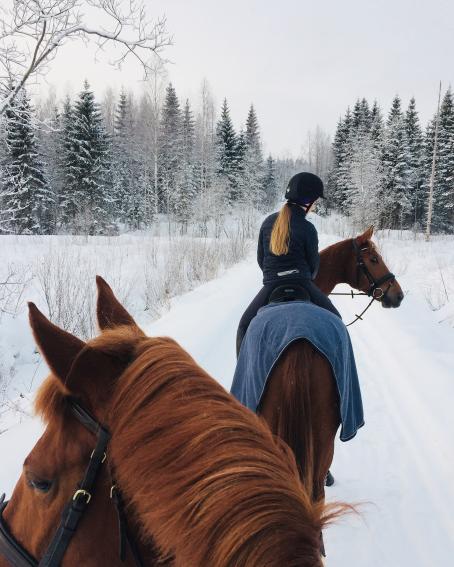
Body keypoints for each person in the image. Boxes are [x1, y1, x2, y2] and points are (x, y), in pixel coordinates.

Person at [236, 171, 341, 356]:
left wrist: (274, 276)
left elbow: (261, 259)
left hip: (271, 286)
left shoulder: (268, 222)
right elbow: (313, 267)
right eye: (315, 201)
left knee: (244, 327)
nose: (315, 206)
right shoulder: (308, 228)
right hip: (303, 284)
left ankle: (242, 383)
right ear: (308, 201)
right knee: (337, 322)